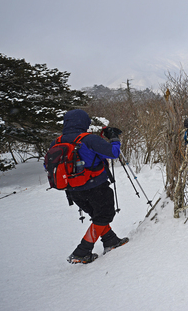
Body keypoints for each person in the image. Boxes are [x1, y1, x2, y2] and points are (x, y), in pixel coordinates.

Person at [50, 109, 129, 264]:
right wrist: (114, 138)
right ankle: (82, 251)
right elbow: (113, 153)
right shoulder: (88, 139)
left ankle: (111, 241)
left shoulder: (57, 142)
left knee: (97, 216)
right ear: (84, 122)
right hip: (96, 187)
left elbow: (49, 166)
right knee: (104, 216)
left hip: (72, 190)